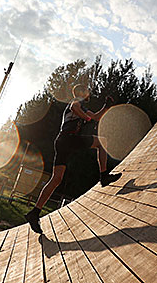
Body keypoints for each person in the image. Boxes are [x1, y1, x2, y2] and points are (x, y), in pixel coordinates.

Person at [25, 84, 121, 234]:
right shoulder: (77, 102)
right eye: (87, 92)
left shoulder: (82, 107)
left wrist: (106, 107)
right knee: (102, 142)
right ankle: (104, 176)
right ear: (81, 93)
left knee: (56, 179)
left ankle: (34, 213)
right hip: (69, 139)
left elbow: (95, 117)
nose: (89, 94)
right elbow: (76, 108)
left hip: (63, 141)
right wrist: (86, 117)